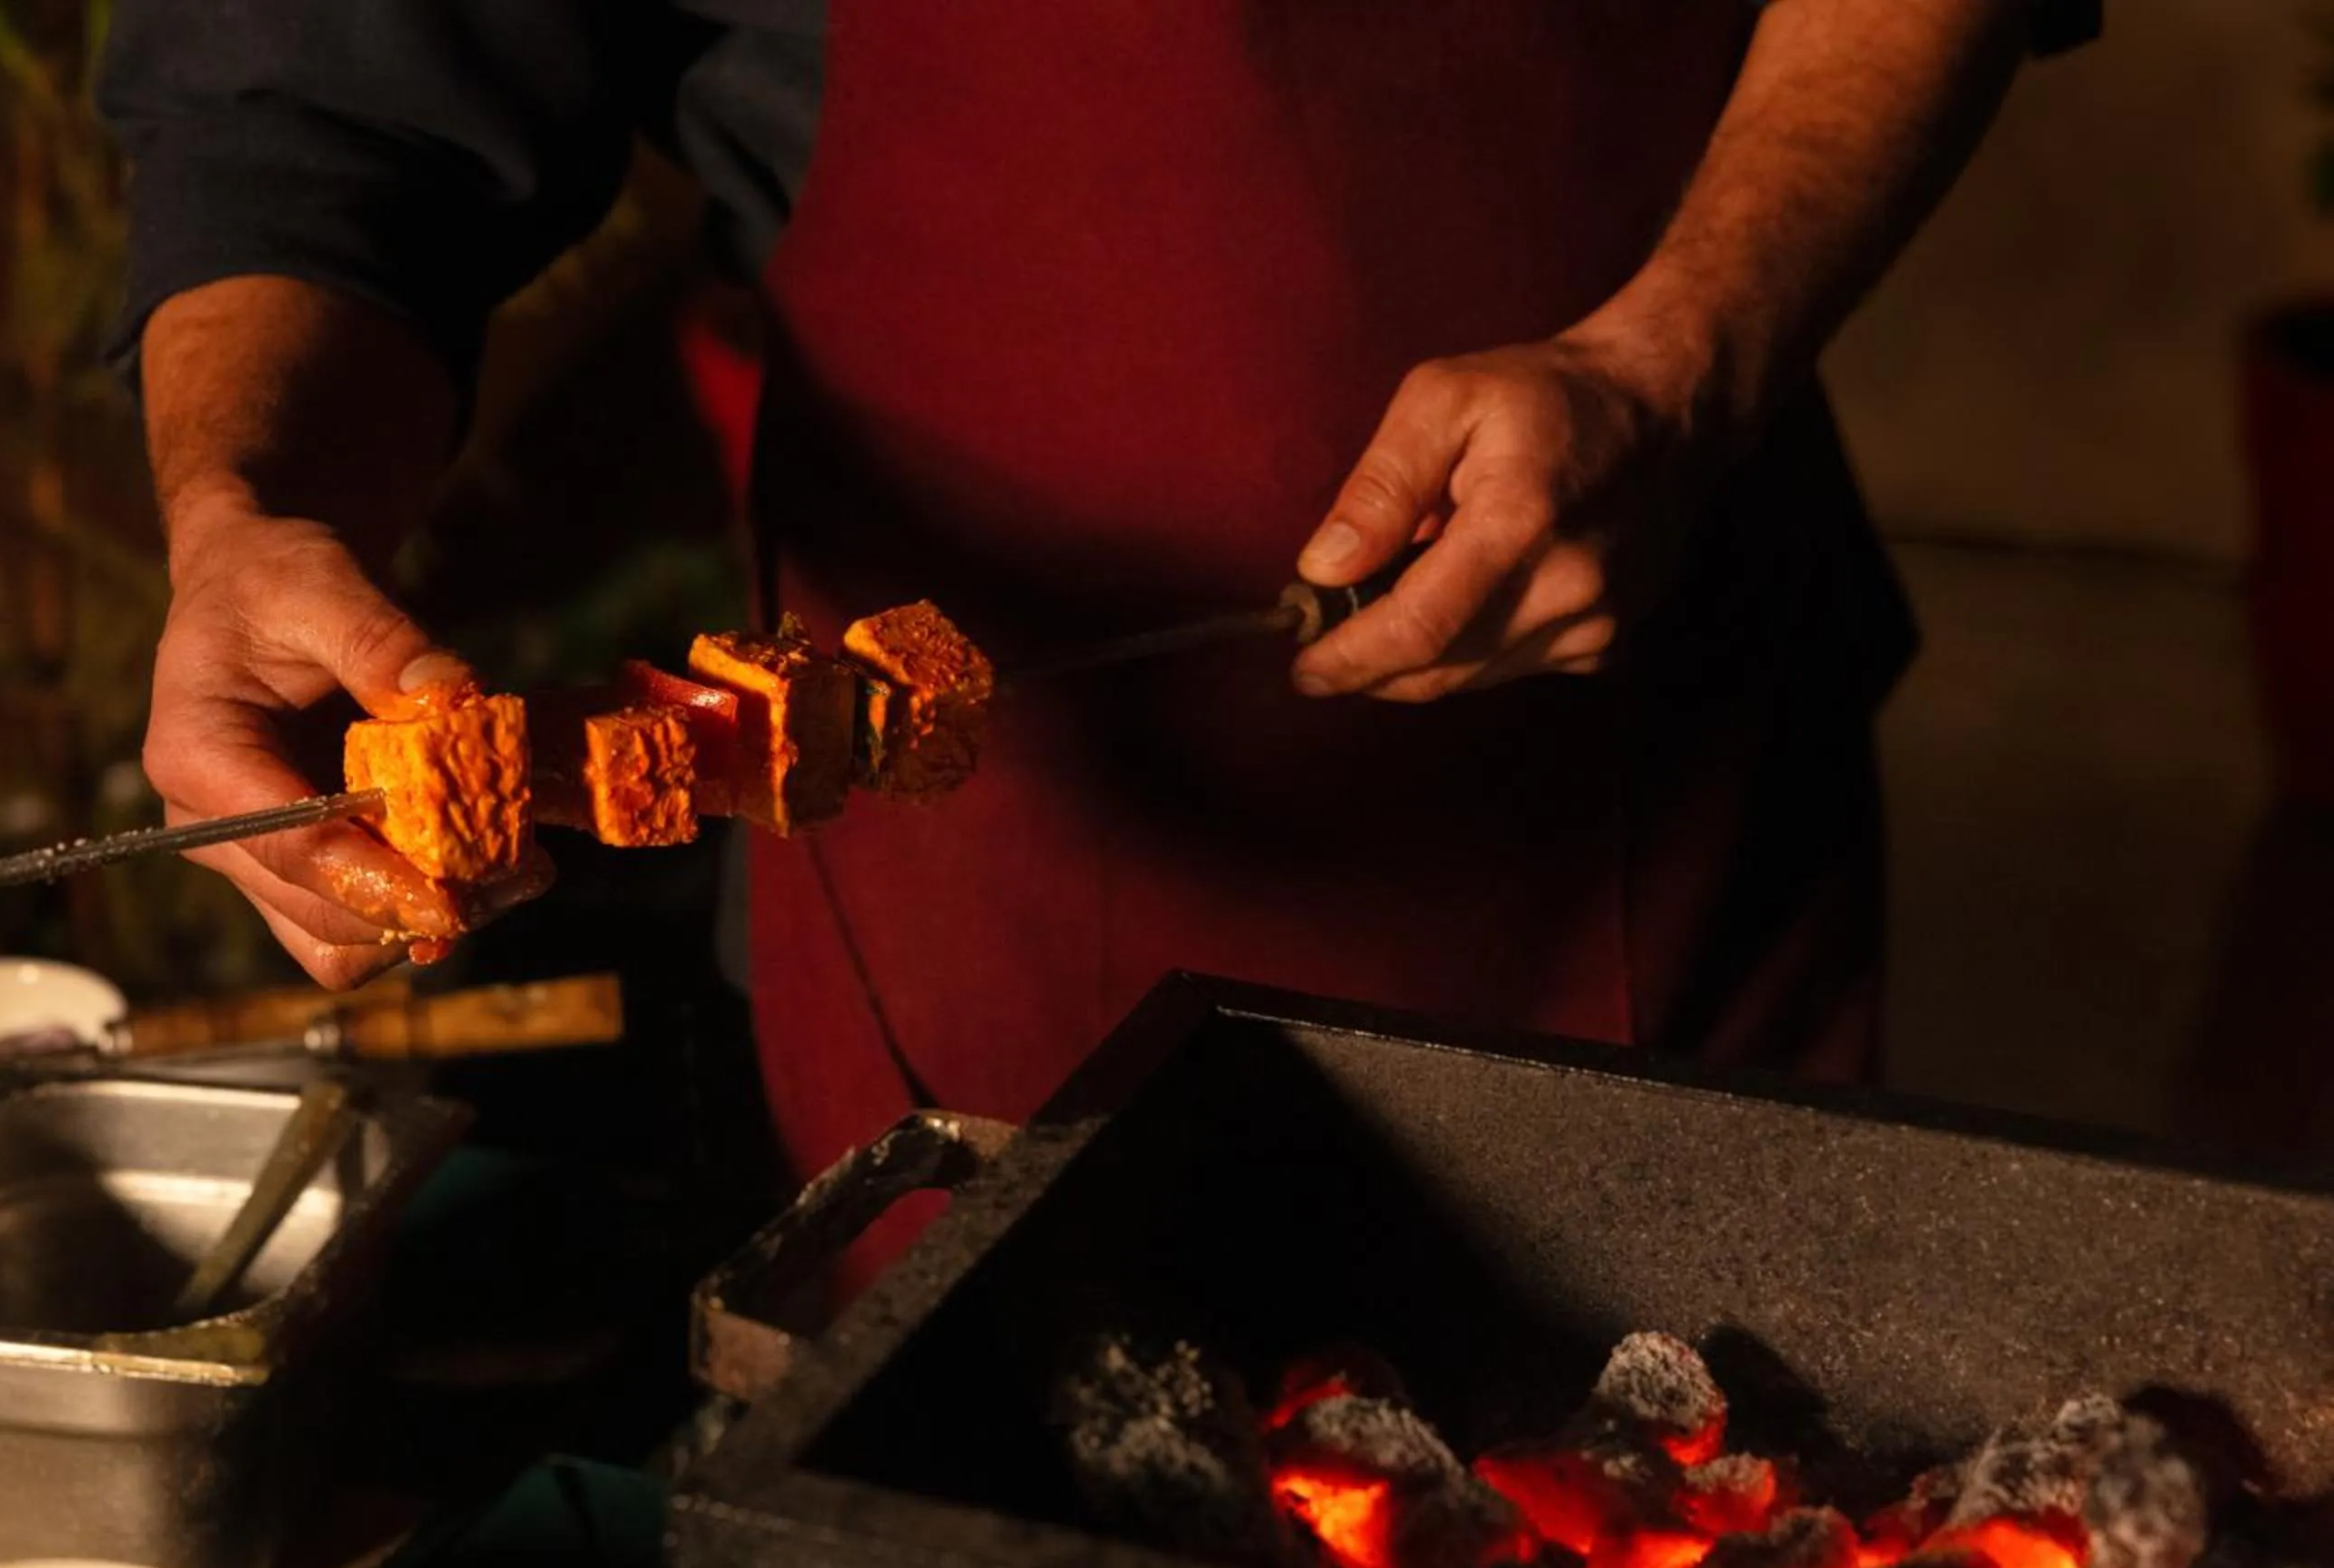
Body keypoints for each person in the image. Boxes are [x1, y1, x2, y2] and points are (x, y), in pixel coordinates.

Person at [101, 1, 2098, 1187]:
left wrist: (1691, 349)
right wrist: (244, 503)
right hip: (967, 886)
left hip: (1642, 787)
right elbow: (323, 97)